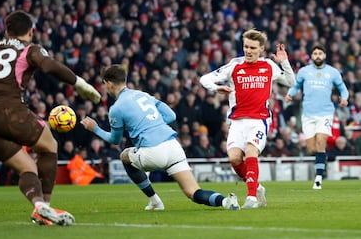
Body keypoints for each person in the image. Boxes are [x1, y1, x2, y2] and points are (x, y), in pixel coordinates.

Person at [0, 10, 101, 226]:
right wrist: (79, 83)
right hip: (10, 112)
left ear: (6, 30)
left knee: (27, 168)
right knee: (49, 146)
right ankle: (46, 203)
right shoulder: (30, 49)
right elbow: (48, 66)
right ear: (31, 31)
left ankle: (39, 207)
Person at [81, 64, 240, 211]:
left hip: (153, 152)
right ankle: (226, 202)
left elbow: (115, 140)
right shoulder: (143, 95)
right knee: (193, 192)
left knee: (124, 156)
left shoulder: (116, 108)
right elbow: (171, 115)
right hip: (173, 146)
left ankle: (155, 201)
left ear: (108, 83)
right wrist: (153, 123)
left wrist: (94, 128)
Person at [200, 29, 296, 208]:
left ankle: (251, 197)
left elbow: (291, 82)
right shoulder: (234, 65)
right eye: (246, 46)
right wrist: (216, 88)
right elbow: (204, 79)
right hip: (236, 121)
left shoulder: (268, 66)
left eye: (253, 47)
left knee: (251, 151)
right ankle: (257, 187)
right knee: (235, 158)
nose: (248, 50)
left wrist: (285, 63)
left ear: (261, 49)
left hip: (259, 120)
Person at [285, 44, 349, 190]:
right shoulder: (303, 72)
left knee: (321, 142)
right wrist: (290, 94)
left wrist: (344, 98)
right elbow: (296, 86)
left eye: (320, 53)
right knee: (311, 148)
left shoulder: (332, 72)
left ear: (324, 55)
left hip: (325, 113)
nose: (318, 56)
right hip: (308, 114)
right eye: (315, 54)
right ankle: (322, 162)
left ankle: (318, 178)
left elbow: (342, 88)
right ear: (312, 56)